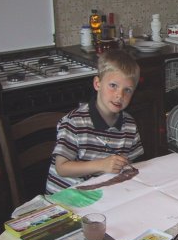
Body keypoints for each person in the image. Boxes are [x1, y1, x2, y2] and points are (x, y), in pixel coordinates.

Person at [46, 49, 144, 193]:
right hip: (66, 199)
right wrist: (102, 165)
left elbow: (134, 161)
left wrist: (124, 163)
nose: (119, 95)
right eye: (113, 86)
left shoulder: (129, 125)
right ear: (97, 84)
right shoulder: (74, 122)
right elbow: (62, 168)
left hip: (101, 193)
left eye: (127, 90)